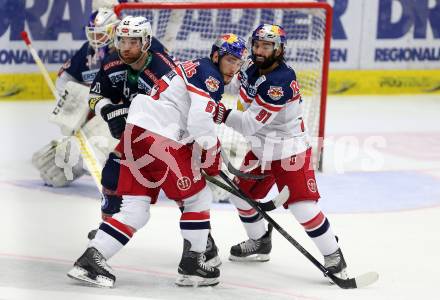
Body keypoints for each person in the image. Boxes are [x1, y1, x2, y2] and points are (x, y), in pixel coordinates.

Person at [67, 33, 247, 288]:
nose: (233, 68)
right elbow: (198, 121)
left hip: (136, 135)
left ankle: (91, 259)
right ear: (216, 55)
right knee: (197, 198)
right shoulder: (211, 75)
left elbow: (190, 117)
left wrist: (206, 151)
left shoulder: (195, 66)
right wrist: (210, 152)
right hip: (158, 138)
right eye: (230, 60)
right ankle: (193, 265)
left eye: (238, 63)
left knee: (136, 210)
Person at [213, 24, 348, 281]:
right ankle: (260, 241)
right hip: (261, 148)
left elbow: (250, 123)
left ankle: (334, 256)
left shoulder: (280, 82)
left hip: (288, 150)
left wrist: (220, 113)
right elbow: (233, 86)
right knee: (241, 197)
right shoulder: (251, 67)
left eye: (267, 46)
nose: (260, 50)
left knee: (302, 208)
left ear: (280, 49)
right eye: (257, 45)